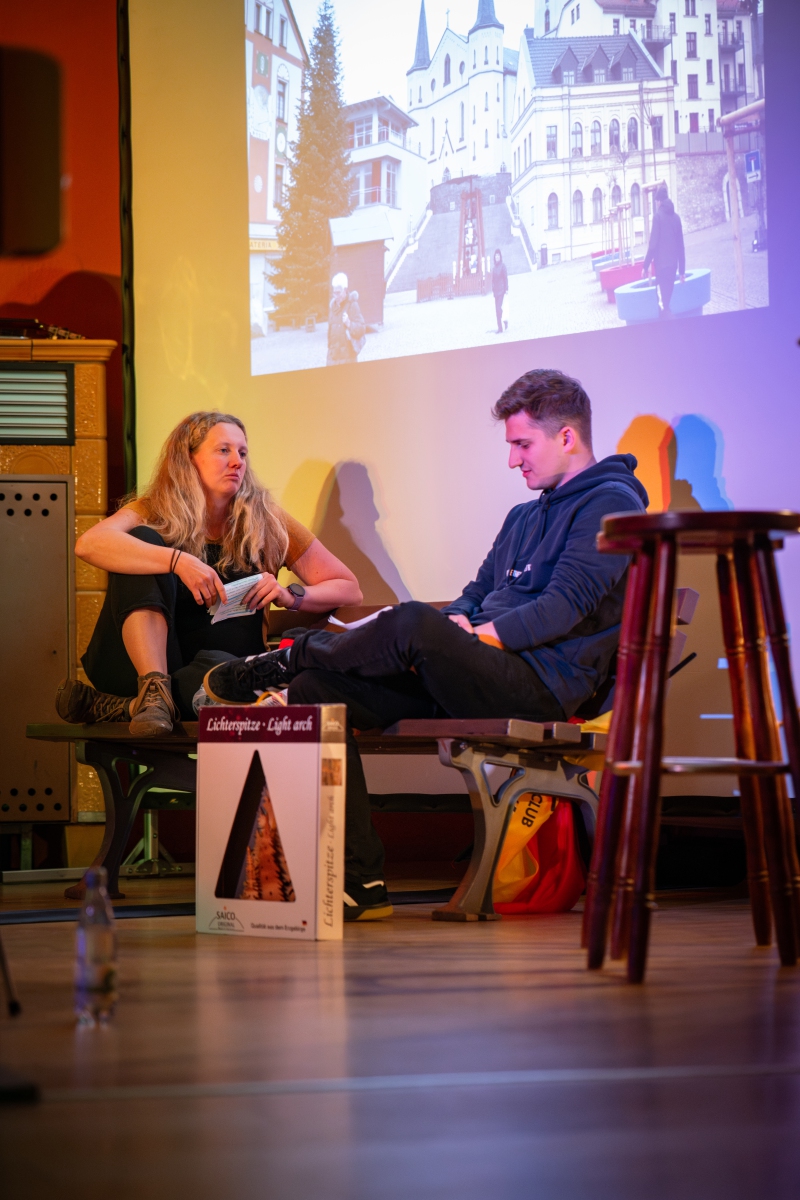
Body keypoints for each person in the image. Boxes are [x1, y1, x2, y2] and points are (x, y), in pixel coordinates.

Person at [203, 370, 649, 921]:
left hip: (539, 688)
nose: (513, 460)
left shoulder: (613, 505)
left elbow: (565, 605)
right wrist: (460, 624)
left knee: (414, 621)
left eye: (522, 444)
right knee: (317, 690)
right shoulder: (524, 515)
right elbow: (475, 594)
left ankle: (291, 654)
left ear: (566, 437)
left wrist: (473, 636)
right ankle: (362, 882)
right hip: (473, 676)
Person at [56, 411, 362, 735]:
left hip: (216, 674)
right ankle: (153, 690)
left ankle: (131, 707)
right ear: (189, 459)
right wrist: (176, 560)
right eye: (223, 450)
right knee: (140, 541)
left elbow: (348, 588)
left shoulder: (265, 519)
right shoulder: (153, 509)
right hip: (138, 667)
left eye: (242, 453)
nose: (237, 462)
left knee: (219, 676)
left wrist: (290, 596)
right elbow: (89, 544)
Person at [642, 184, 686, 317]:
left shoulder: (658, 217)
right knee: (667, 301)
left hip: (661, 267)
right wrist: (682, 271)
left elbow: (653, 244)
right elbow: (681, 246)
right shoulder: (676, 218)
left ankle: (667, 325)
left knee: (662, 305)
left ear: (659, 201)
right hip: (673, 266)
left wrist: (645, 265)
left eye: (656, 202)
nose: (656, 204)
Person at [326, 272, 366, 366]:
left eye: (338, 293)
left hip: (348, 359)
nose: (335, 296)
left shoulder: (352, 305)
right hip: (333, 359)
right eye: (334, 293)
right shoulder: (333, 307)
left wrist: (349, 324)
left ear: (345, 290)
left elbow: (362, 329)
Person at [491, 248, 509, 334]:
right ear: (494, 257)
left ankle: (504, 321)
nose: (497, 257)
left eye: (498, 255)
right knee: (496, 310)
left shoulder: (503, 266)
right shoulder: (494, 268)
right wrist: (493, 288)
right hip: (496, 291)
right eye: (496, 256)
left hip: (501, 290)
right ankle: (500, 328)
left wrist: (506, 289)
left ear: (500, 257)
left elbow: (505, 278)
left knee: (499, 308)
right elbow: (493, 280)